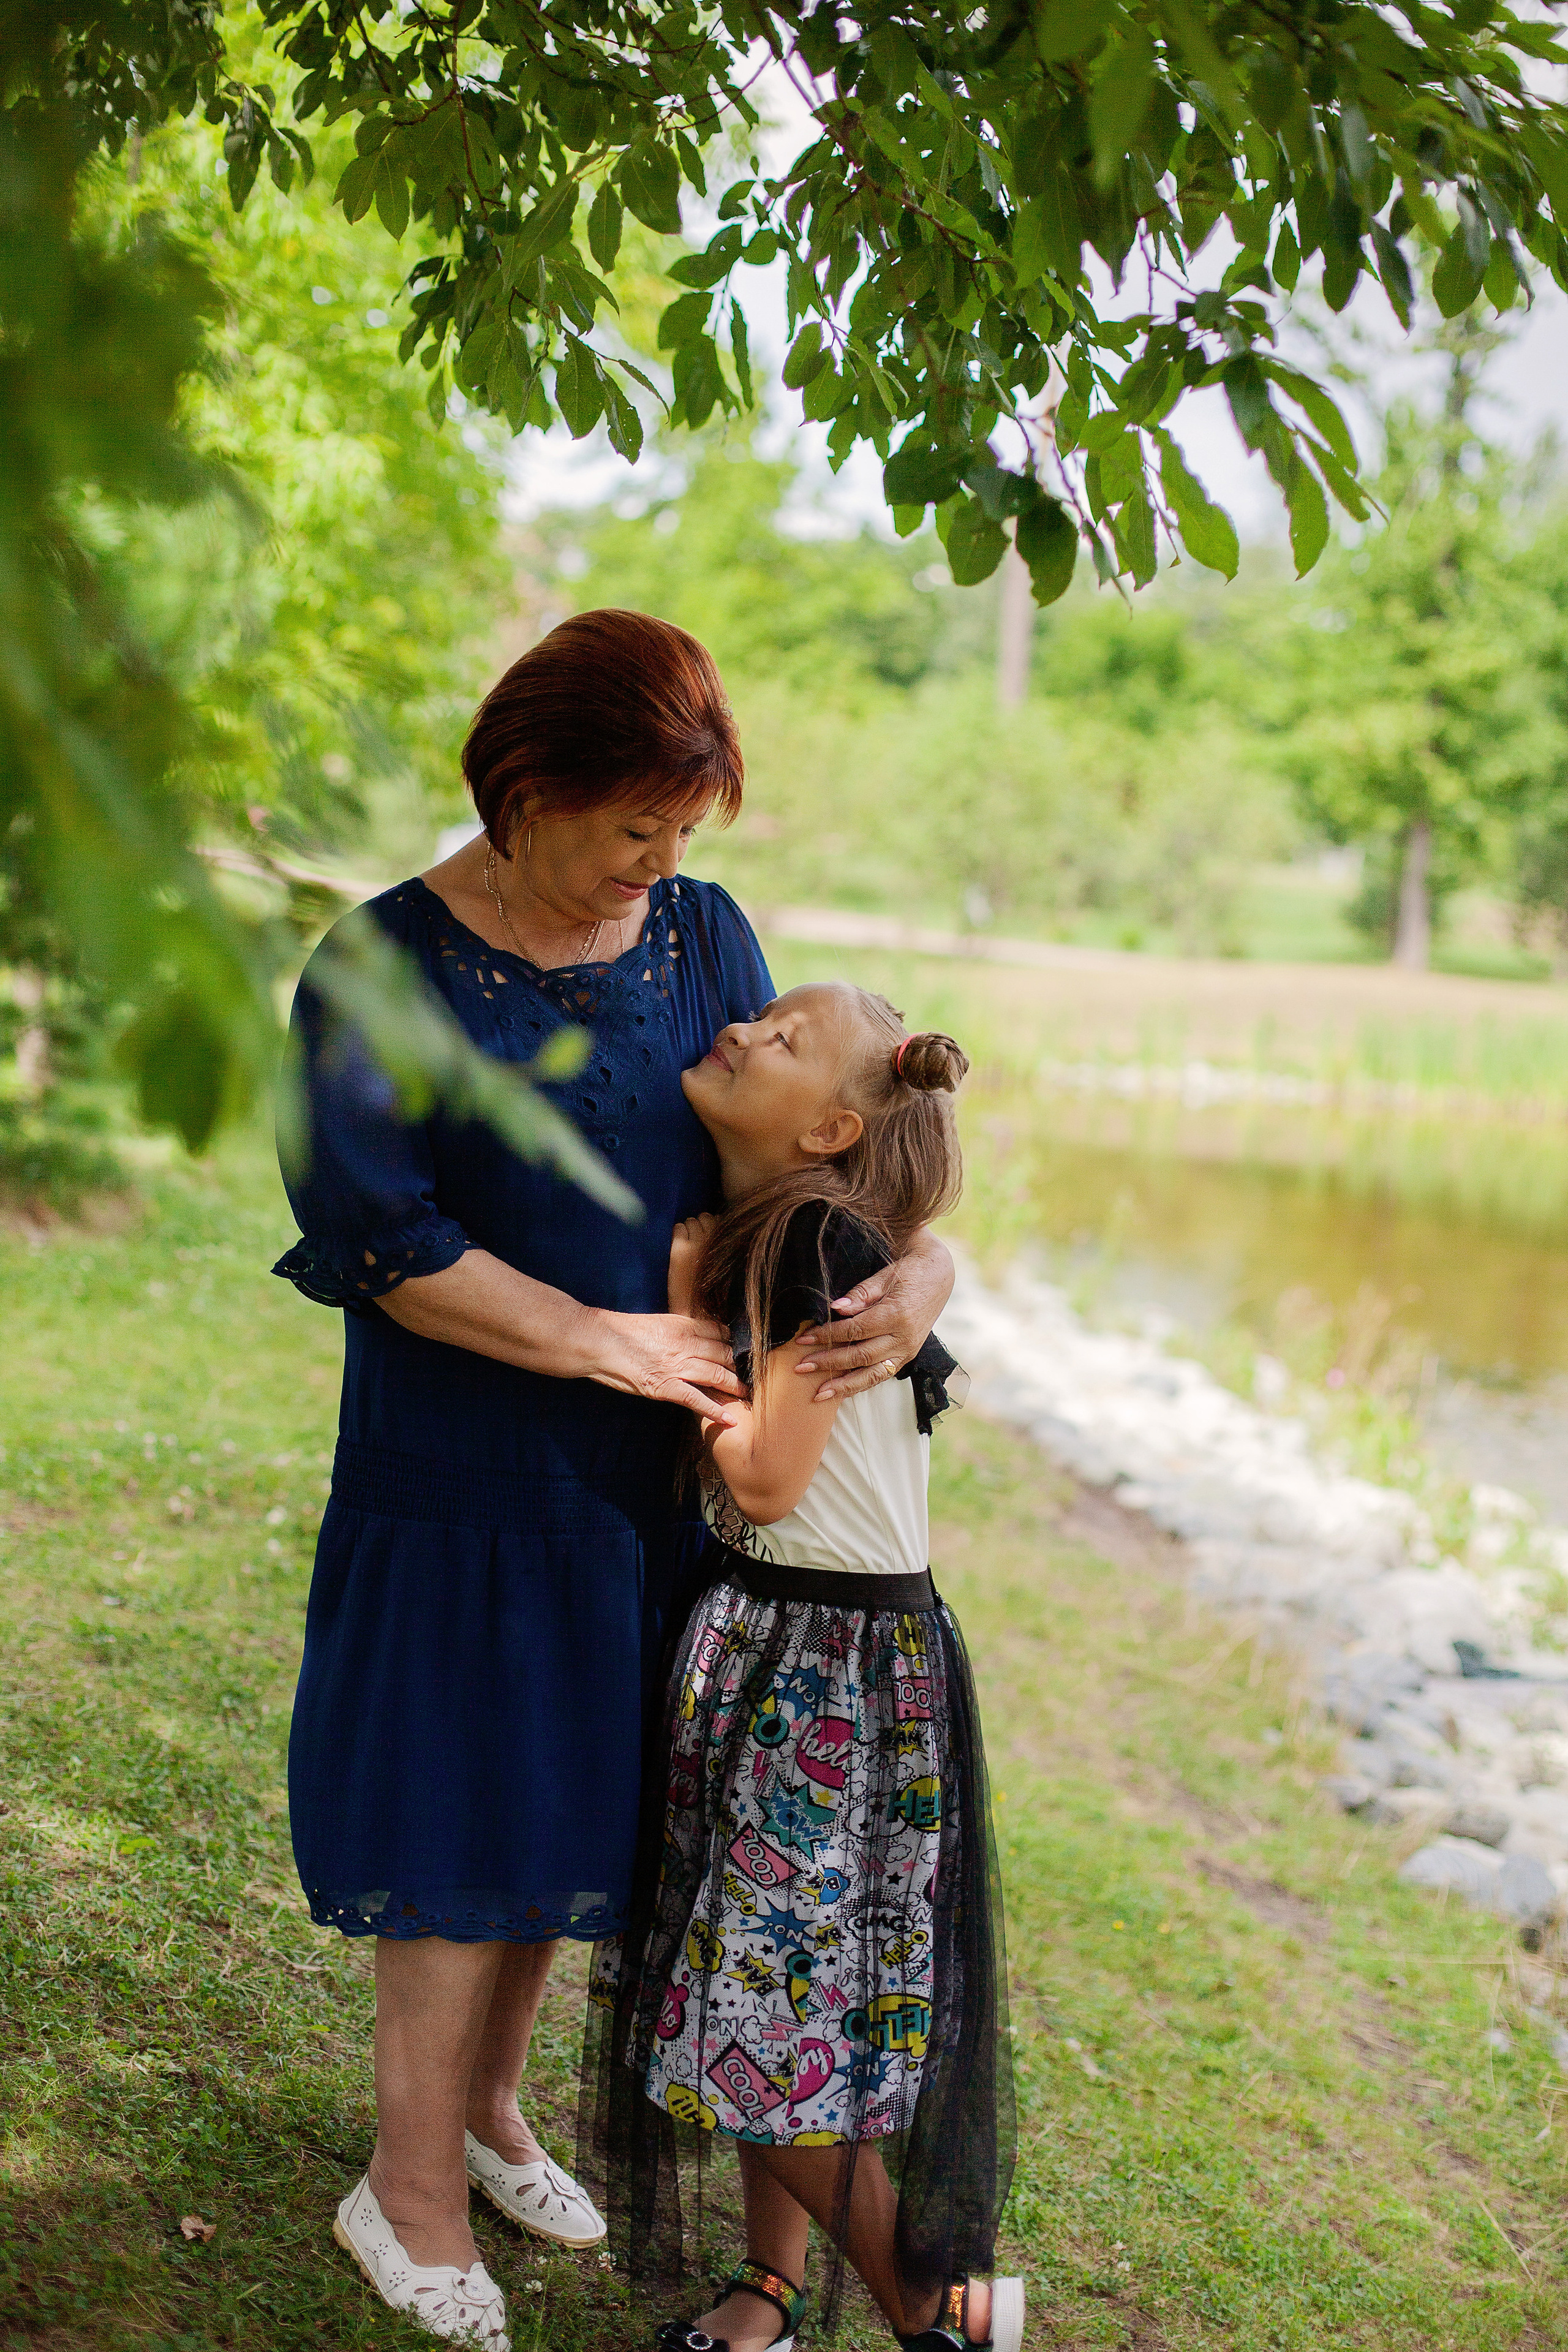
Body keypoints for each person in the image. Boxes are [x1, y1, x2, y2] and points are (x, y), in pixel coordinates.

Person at [272, 611, 957, 2350]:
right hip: (465, 1462)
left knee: (579, 1806)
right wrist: (597, 1339)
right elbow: (377, 1238)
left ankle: (493, 2121)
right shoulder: (380, 970)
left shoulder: (705, 935)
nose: (662, 863)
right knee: (456, 1812)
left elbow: (823, 1136)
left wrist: (928, 1276)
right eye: (632, 824)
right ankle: (407, 2183)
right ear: (522, 788)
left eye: (684, 828)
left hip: (651, 1484)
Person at [583, 984, 1019, 2352]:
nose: (747, 1029)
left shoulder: (802, 1241)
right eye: (761, 1012)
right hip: (854, 1648)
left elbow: (765, 1480)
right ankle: (769, 2291)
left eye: (782, 1039)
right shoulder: (822, 1231)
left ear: (829, 1125)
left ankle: (930, 2301)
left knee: (753, 2002)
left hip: (813, 1657)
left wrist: (678, 1322)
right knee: (782, 1980)